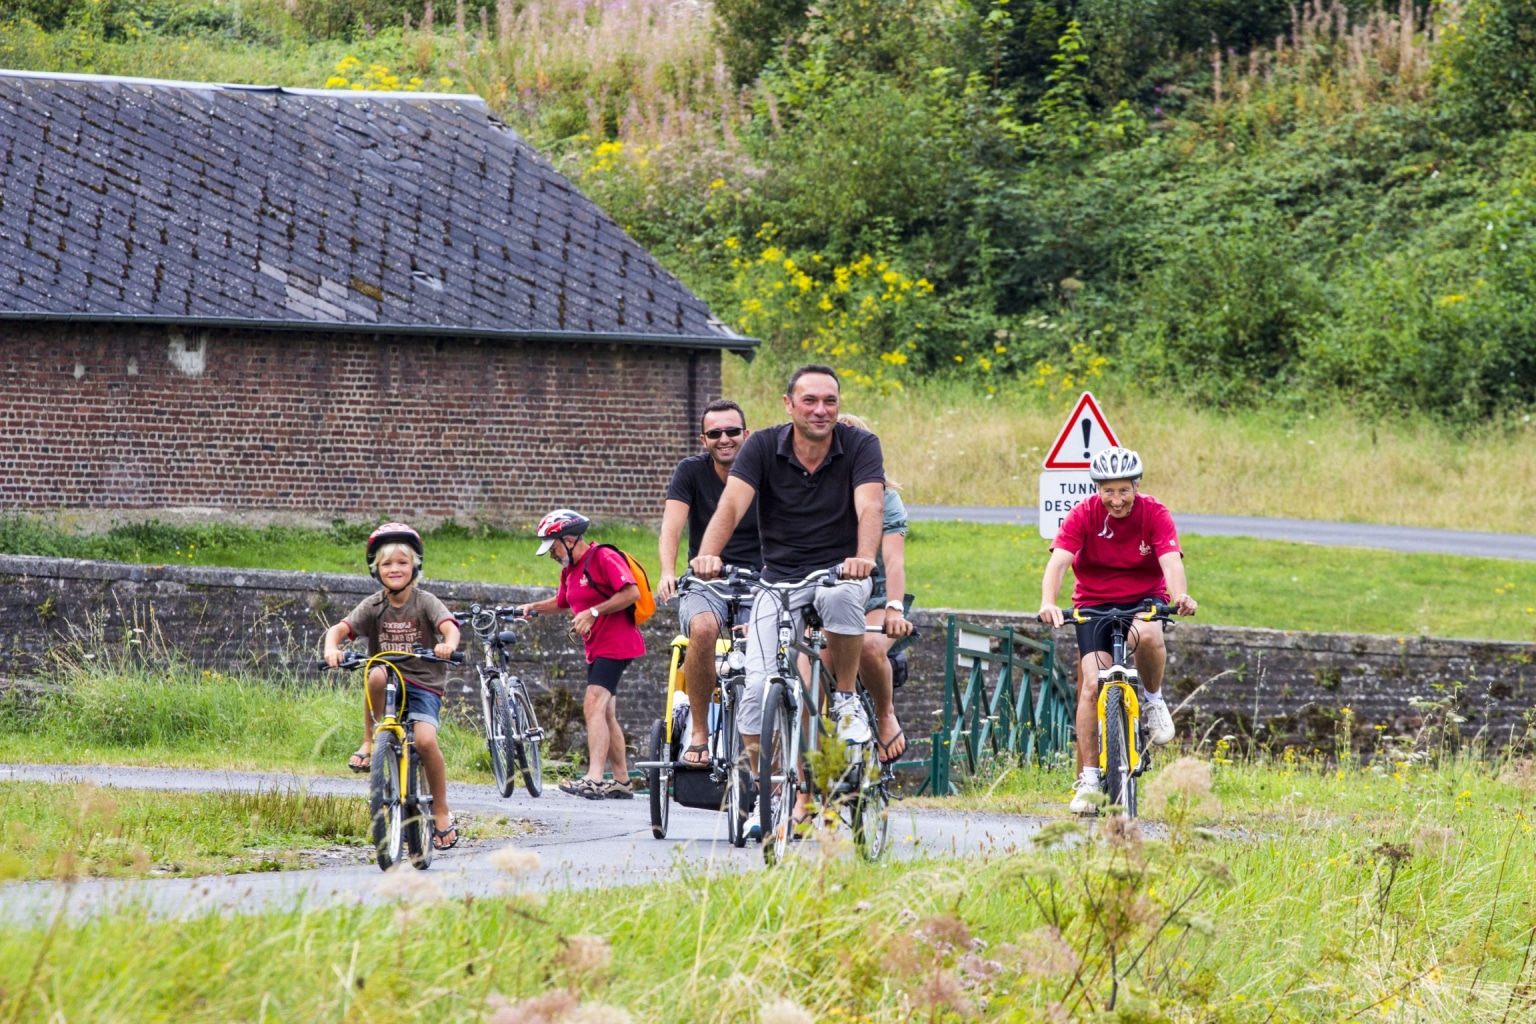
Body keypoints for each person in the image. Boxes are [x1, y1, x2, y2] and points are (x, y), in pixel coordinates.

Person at [690, 364, 885, 822]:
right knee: (757, 689)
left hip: (839, 571)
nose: (821, 410)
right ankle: (769, 795)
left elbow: (870, 503)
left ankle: (844, 698)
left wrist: (863, 556)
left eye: (830, 401)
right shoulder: (761, 446)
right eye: (810, 401)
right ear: (789, 404)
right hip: (777, 580)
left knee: (841, 599)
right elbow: (733, 503)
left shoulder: (860, 445)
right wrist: (707, 557)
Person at [1037, 447, 1198, 814]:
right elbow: (1059, 561)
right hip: (1093, 603)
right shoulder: (1082, 514)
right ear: (1097, 489)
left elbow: (1170, 561)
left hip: (1143, 601)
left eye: (1124, 490)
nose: (1117, 499)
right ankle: (1089, 779)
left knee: (1152, 634)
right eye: (1108, 491)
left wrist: (1180, 596)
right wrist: (1049, 601)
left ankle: (1153, 701)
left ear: (1136, 487)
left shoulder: (1154, 513)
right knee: (1092, 685)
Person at [323, 522, 464, 850]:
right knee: (375, 672)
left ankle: (441, 811)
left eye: (402, 562)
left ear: (415, 566)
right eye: (387, 564)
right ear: (376, 570)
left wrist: (447, 645)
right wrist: (332, 648)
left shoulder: (425, 601)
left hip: (423, 682)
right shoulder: (374, 605)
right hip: (387, 681)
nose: (395, 569)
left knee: (426, 741)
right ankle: (371, 740)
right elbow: (338, 630)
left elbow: (449, 627)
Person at [656, 398, 763, 767]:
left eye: (732, 431)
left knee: (765, 645)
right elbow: (672, 525)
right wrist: (669, 571)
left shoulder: (765, 470)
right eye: (715, 433)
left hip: (759, 580)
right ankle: (700, 731)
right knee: (703, 628)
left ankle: (765, 745)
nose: (724, 439)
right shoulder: (690, 471)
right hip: (707, 579)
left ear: (746, 435)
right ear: (704, 439)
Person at [517, 509, 645, 800]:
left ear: (571, 539)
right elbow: (563, 602)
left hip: (617, 643)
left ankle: (595, 778)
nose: (552, 555)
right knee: (606, 712)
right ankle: (622, 781)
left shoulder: (602, 557)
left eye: (555, 547)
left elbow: (631, 593)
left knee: (593, 705)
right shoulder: (569, 570)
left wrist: (594, 611)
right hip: (596, 647)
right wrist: (534, 607)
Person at [835, 413, 913, 764]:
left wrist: (894, 607)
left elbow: (893, 560)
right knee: (810, 658)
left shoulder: (886, 499)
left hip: (876, 595)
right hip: (829, 595)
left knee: (867, 646)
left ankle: (885, 714)